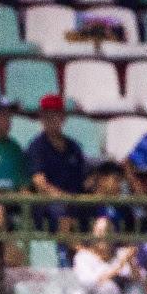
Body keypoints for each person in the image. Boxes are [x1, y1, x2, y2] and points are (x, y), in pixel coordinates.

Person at [71, 216, 145, 294]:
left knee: (136, 288)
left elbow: (138, 278)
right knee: (108, 288)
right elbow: (91, 283)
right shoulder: (83, 257)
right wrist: (118, 267)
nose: (104, 236)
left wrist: (131, 261)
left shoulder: (120, 254)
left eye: (108, 231)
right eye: (100, 232)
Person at [27, 94, 86, 231]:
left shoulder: (73, 147)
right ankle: (67, 245)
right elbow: (40, 182)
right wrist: (63, 198)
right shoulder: (37, 147)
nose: (51, 119)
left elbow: (82, 180)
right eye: (46, 115)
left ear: (63, 117)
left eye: (55, 115)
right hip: (49, 204)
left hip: (75, 201)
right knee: (60, 212)